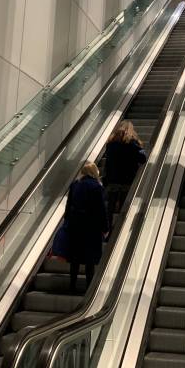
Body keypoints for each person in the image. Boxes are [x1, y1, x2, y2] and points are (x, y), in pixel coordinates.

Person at [65, 162, 108, 294]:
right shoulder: (96, 187)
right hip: (91, 227)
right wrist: (105, 227)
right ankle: (89, 288)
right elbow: (101, 209)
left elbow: (68, 206)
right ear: (95, 172)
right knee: (90, 259)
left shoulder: (75, 185)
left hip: (75, 226)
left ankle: (72, 285)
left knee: (75, 258)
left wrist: (68, 222)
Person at [103, 121, 147, 228]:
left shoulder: (110, 144)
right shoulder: (132, 144)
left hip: (113, 180)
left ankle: (107, 229)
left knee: (110, 206)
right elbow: (143, 158)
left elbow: (107, 164)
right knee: (124, 206)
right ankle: (119, 229)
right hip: (127, 180)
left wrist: (106, 180)